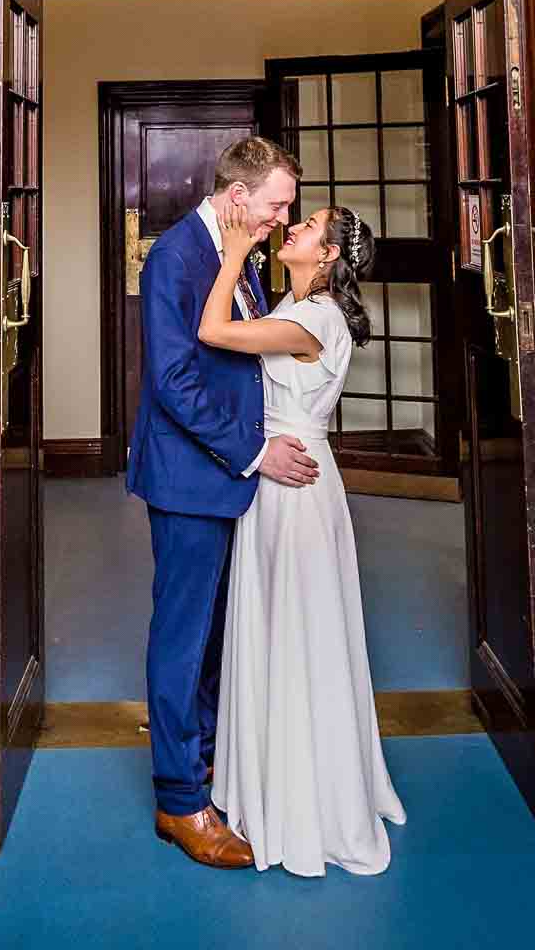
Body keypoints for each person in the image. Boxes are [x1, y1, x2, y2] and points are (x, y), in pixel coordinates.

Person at [126, 137, 319, 869]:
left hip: (225, 477)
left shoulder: (235, 252)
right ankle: (179, 802)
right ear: (238, 197)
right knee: (182, 637)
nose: (279, 218)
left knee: (212, 634)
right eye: (275, 205)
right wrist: (255, 452)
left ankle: (203, 764)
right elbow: (174, 382)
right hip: (189, 478)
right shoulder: (178, 256)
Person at [200, 198, 407, 876]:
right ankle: (282, 777)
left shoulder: (309, 320)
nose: (296, 227)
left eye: (309, 226)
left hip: (296, 493)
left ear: (328, 257)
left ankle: (303, 797)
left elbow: (213, 330)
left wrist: (232, 254)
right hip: (288, 482)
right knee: (291, 627)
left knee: (297, 631)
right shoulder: (300, 313)